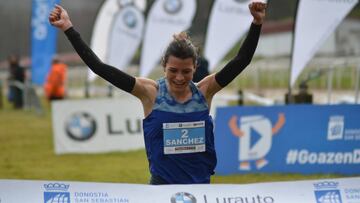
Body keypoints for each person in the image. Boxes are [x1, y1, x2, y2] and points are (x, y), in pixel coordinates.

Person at [49, 2, 266, 184]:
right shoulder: (150, 93)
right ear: (164, 66)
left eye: (186, 72)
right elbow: (100, 68)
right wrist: (68, 28)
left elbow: (241, 61)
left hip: (200, 191)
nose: (180, 77)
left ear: (195, 67)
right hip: (161, 191)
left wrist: (256, 23)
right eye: (173, 71)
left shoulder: (205, 91)